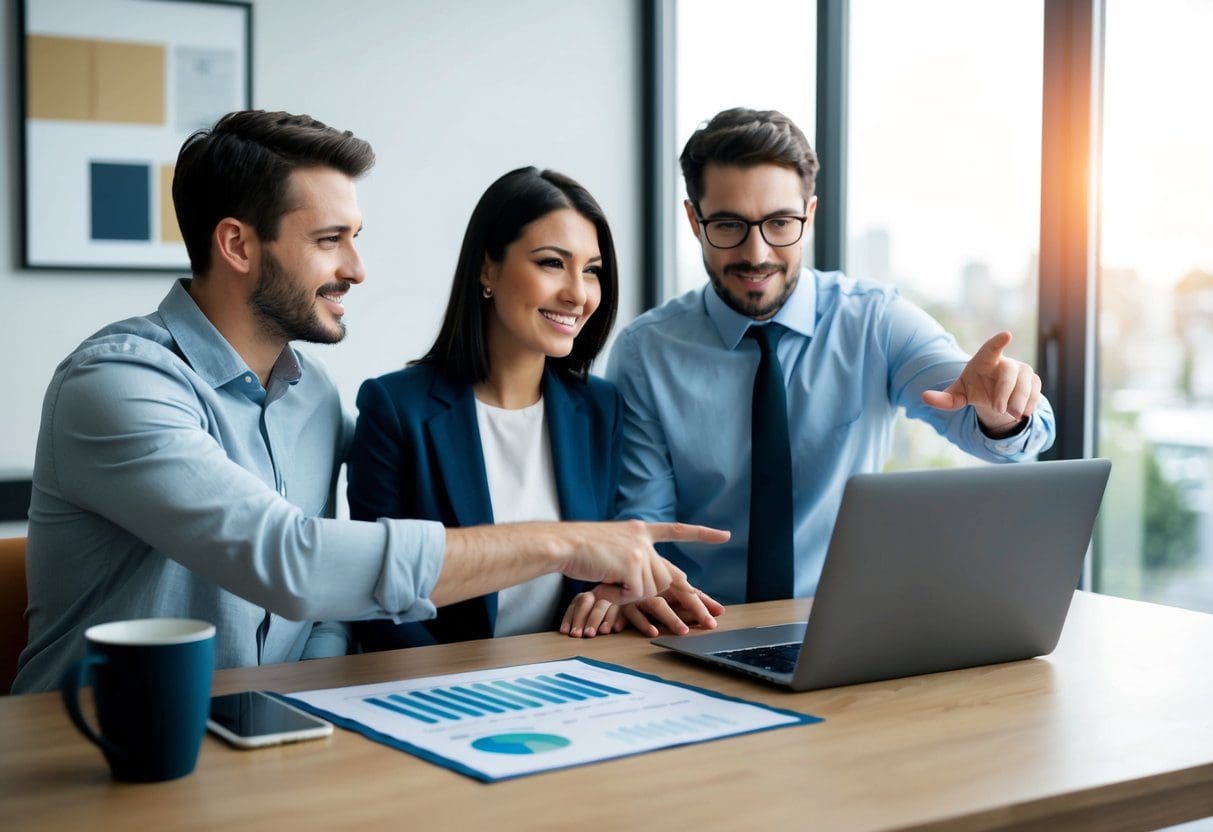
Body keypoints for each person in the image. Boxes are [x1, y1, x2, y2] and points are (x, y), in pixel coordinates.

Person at [12, 111, 726, 694]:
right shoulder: (117, 386)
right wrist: (566, 540)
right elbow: (291, 560)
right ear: (236, 244)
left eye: (354, 239)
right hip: (96, 750)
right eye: (329, 241)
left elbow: (323, 613)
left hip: (270, 733)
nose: (356, 268)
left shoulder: (312, 400)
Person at [605, 107, 1056, 612]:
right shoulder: (646, 353)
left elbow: (1011, 442)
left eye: (780, 223)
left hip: (847, 624)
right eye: (729, 225)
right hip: (701, 624)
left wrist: (999, 413)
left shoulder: (875, 322)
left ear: (810, 215)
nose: (757, 253)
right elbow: (644, 527)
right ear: (694, 220)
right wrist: (643, 584)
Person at [348, 167, 722, 648]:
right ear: (487, 269)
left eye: (591, 270)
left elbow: (592, 564)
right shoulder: (396, 407)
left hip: (572, 675)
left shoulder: (599, 408)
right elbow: (375, 598)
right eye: (552, 263)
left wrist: (613, 593)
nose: (578, 293)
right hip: (437, 691)